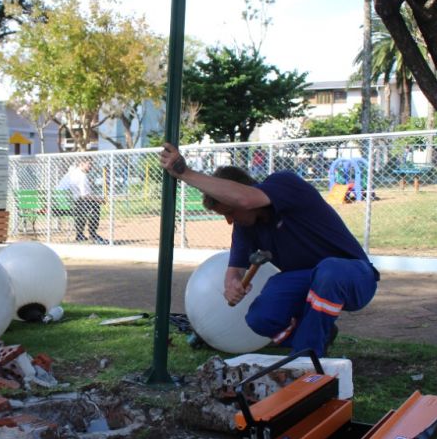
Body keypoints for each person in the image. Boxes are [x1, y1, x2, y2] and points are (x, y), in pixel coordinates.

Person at [159, 142, 378, 356]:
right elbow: (233, 270)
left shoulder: (285, 184)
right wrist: (232, 285)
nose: (229, 220)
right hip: (306, 280)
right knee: (259, 319)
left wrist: (184, 172)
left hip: (352, 274)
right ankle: (318, 329)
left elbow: (244, 199)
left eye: (230, 212)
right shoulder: (245, 226)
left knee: (329, 272)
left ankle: (307, 357)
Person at [56, 159, 106, 244]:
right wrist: (99, 199)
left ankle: (80, 235)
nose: (91, 166)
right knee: (95, 205)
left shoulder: (71, 173)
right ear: (81, 164)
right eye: (88, 164)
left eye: (91, 164)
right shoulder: (82, 176)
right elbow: (85, 195)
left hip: (59, 204)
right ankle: (92, 234)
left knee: (86, 205)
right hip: (71, 205)